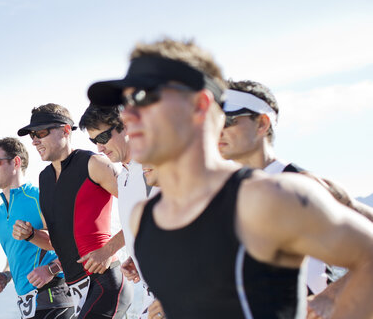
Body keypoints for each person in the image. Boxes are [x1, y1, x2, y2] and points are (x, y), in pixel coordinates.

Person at [87, 37, 373, 318]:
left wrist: (334, 303)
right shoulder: (144, 216)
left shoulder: (268, 196)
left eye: (144, 98)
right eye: (126, 103)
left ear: (199, 105)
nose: (129, 116)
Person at [218, 79, 373, 315]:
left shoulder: (301, 183)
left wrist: (330, 297)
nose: (218, 131)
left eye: (228, 120)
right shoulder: (225, 192)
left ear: (262, 123)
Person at [13, 103, 132, 318]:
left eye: (41, 132)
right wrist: (30, 235)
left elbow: (144, 209)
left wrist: (108, 250)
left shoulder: (94, 163)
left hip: (106, 280)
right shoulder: (45, 179)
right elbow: (55, 242)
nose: (34, 140)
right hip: (76, 289)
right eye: (32, 135)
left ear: (66, 130)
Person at [79, 104, 155, 318]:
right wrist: (136, 254)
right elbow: (146, 224)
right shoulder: (122, 179)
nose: (99, 148)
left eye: (103, 138)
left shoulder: (156, 167)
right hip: (151, 293)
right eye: (94, 141)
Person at [0, 137, 74, 319]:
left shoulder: (39, 197)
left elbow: (73, 242)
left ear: (16, 162)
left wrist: (51, 269)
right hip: (27, 304)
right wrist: (6, 275)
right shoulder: (0, 212)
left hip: (53, 295)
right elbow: (16, 252)